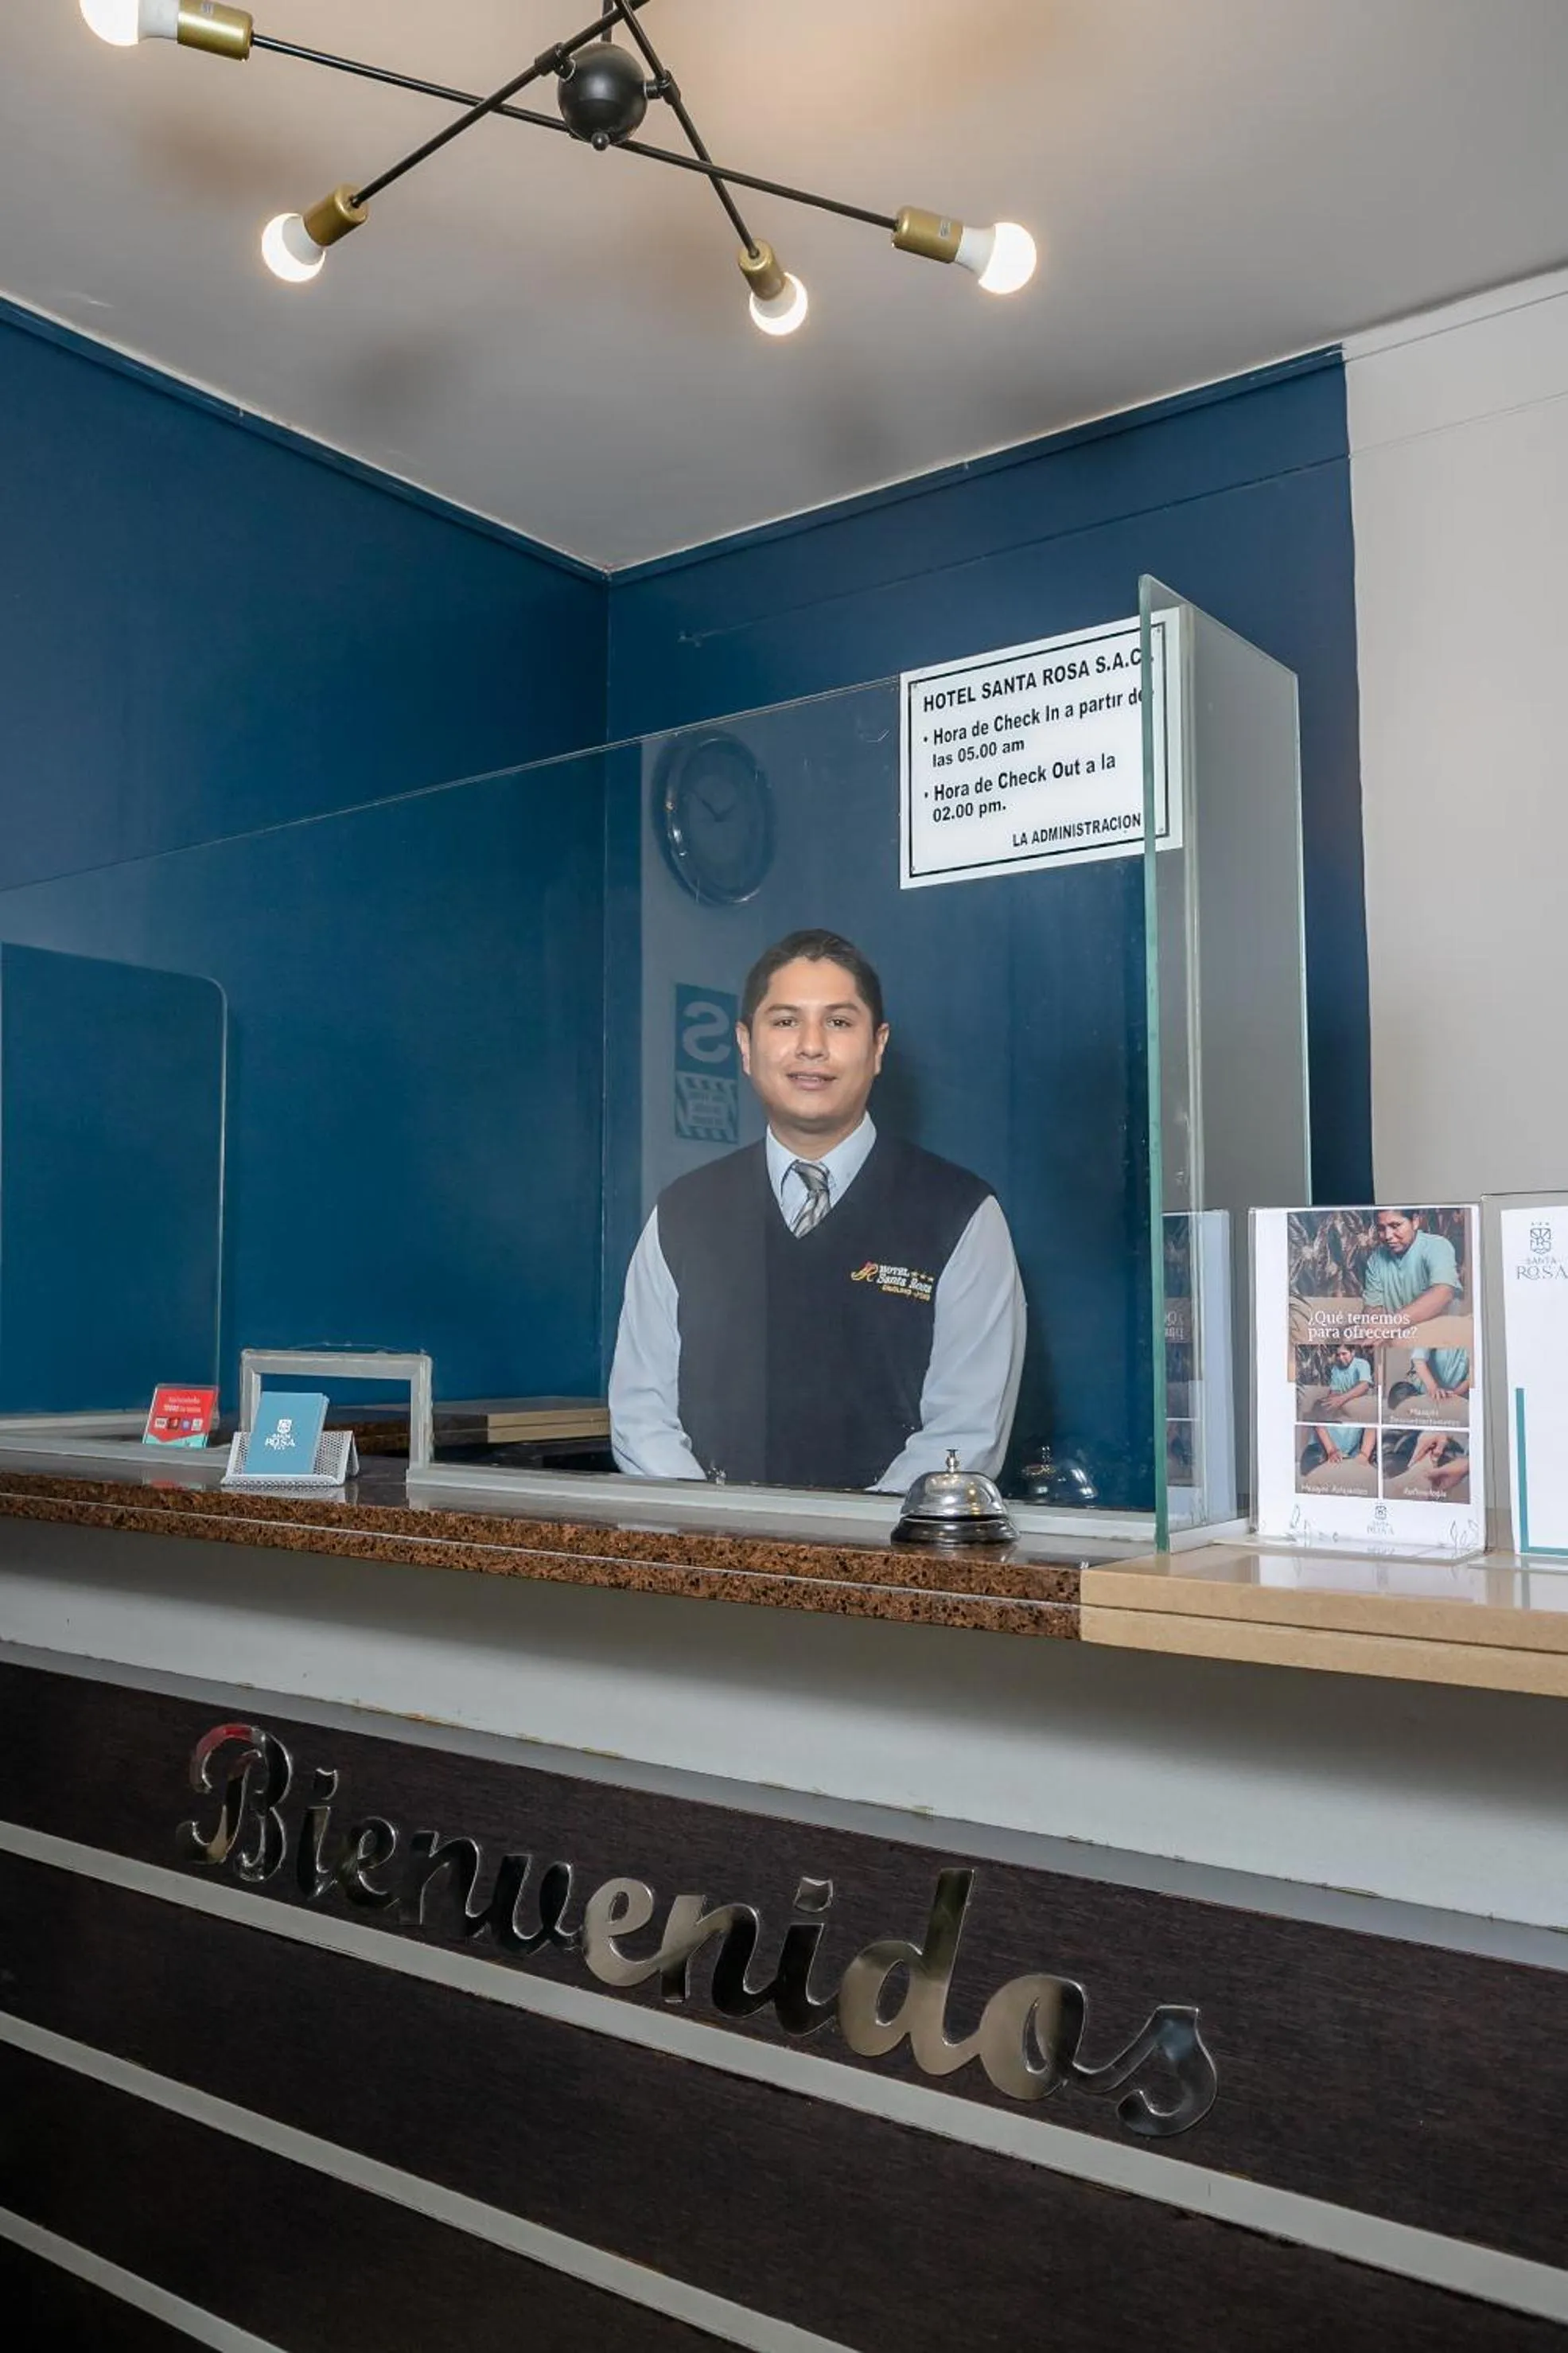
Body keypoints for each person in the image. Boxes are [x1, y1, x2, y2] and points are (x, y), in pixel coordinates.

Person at [609, 929, 1025, 1491]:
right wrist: (710, 1535)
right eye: (784, 1021)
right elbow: (641, 1416)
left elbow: (963, 1435)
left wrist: (846, 1552)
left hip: (886, 1565)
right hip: (706, 1558)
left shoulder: (961, 1212)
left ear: (877, 1047)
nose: (811, 1045)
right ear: (744, 1045)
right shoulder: (681, 1212)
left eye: (838, 1021)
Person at [1361, 1209, 1470, 1407]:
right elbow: (1372, 1309)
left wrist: (1392, 1324)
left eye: (1395, 1226)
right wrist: (1373, 1325)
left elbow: (1443, 1293)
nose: (1388, 1236)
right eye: (1381, 1228)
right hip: (1407, 1348)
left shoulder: (1437, 1246)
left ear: (1415, 1222)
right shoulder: (1376, 1259)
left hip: (1447, 1344)